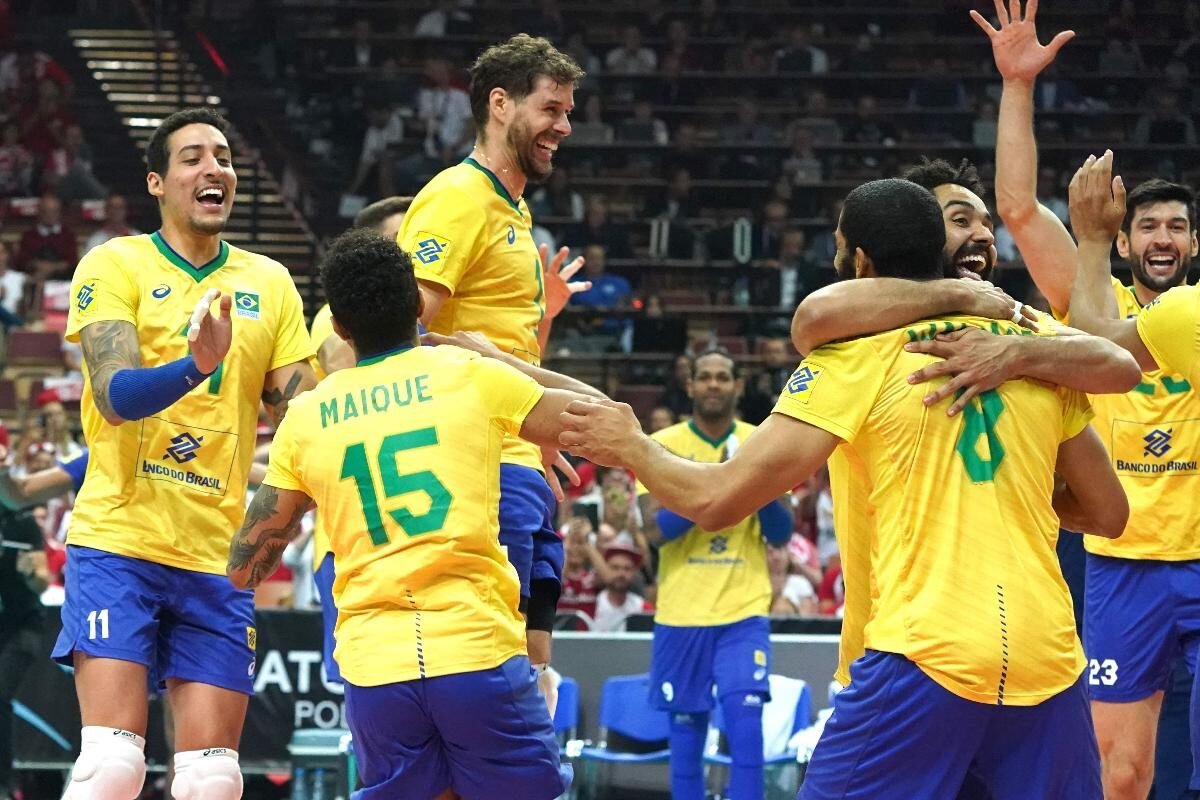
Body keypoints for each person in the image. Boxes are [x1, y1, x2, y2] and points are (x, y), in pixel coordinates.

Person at [562, 178, 1132, 800]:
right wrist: (1011, 490)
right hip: (1047, 655)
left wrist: (633, 448)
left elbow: (716, 500)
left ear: (859, 261)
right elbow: (1108, 512)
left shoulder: (858, 355)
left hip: (925, 650)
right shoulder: (1038, 351)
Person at [226, 228, 596, 800]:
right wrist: (501, 359)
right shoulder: (469, 376)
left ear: (342, 329)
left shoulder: (306, 417)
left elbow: (246, 566)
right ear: (419, 306)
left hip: (376, 668)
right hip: (473, 647)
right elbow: (603, 417)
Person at [972, 3, 1200, 796]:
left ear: (1194, 243)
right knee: (1123, 771)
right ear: (1126, 237)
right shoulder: (1090, 293)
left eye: (1178, 226)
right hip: (1123, 565)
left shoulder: (1196, 318)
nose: (1163, 238)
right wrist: (1016, 85)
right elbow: (1018, 208)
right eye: (1149, 226)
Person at [56, 107, 316, 800]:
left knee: (212, 780)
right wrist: (196, 366)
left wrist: (264, 540)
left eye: (224, 157)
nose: (215, 169)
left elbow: (306, 422)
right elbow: (114, 396)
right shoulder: (116, 263)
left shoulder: (271, 283)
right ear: (157, 182)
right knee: (112, 768)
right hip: (120, 540)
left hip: (215, 557)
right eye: (194, 157)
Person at [396, 34, 588, 693]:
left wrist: (541, 325)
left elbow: (496, 345)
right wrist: (483, 369)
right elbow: (395, 332)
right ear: (500, 104)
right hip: (474, 467)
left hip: (516, 457)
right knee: (488, 676)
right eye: (552, 108)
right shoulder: (458, 196)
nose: (564, 126)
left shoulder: (514, 207)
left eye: (568, 111)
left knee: (530, 677)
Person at [633, 349, 794, 800]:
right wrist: (723, 481)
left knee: (746, 726)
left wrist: (749, 476)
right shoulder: (659, 443)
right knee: (685, 737)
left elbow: (781, 534)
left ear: (738, 386)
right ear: (690, 386)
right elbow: (654, 532)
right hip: (680, 615)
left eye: (724, 377)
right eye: (705, 377)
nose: (714, 384)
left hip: (743, 613)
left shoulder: (761, 440)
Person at [308, 195, 412, 685]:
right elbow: (348, 376)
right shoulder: (336, 320)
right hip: (356, 537)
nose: (409, 255)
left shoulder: (431, 318)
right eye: (398, 242)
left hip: (425, 529)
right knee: (369, 693)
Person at [591, 542, 651, 633]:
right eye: (615, 568)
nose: (621, 574)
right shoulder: (592, 603)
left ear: (634, 573)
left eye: (627, 569)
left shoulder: (643, 608)